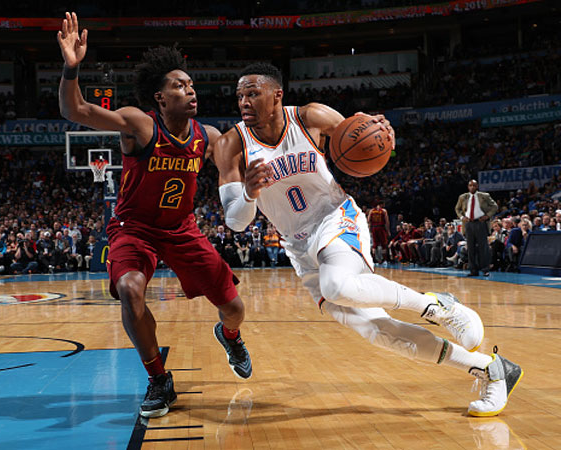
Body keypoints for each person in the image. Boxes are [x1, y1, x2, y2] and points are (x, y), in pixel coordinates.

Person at [214, 62, 522, 417]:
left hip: (335, 218)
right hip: (299, 248)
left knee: (337, 284)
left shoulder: (310, 116)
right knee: (379, 331)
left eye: (253, 93)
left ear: (276, 95)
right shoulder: (230, 145)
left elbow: (366, 136)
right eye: (240, 96)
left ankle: (436, 306)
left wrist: (384, 132)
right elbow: (236, 222)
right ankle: (491, 370)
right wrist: (250, 193)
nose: (244, 102)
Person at [57, 12, 252, 418]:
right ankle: (159, 379)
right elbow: (75, 111)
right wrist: (71, 68)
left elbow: (239, 175)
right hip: (134, 229)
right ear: (160, 98)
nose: (190, 90)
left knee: (235, 308)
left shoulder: (209, 137)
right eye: (179, 85)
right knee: (129, 288)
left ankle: (230, 335)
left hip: (183, 230)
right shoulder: (139, 125)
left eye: (192, 84)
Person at [455, 180, 498, 277]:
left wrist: (487, 216)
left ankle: (485, 269)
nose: (472, 187)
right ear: (468, 187)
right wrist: (462, 217)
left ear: (477, 186)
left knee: (483, 248)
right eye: (470, 185)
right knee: (470, 248)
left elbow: (494, 206)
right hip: (469, 224)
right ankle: (473, 270)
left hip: (480, 223)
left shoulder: (484, 195)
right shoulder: (463, 197)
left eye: (474, 185)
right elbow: (457, 209)